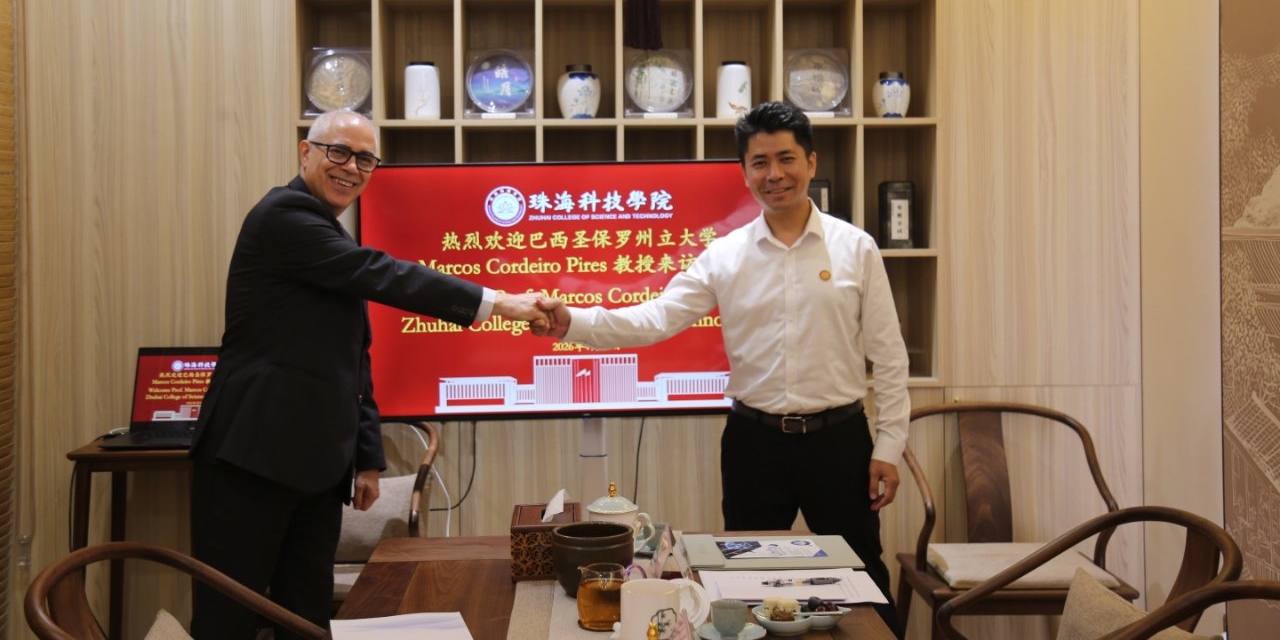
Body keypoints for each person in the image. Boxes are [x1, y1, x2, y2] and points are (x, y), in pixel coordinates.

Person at [537, 101, 910, 634]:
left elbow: (889, 355)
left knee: (861, 577)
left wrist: (889, 445)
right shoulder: (725, 255)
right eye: (760, 162)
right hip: (754, 444)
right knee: (743, 584)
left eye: (786, 159)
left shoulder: (856, 248)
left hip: (840, 441)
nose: (774, 174)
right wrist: (571, 321)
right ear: (744, 172)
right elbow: (655, 318)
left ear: (811, 161)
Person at [189, 109, 550, 639]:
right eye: (338, 152)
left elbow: (352, 359)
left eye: (365, 159)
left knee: (306, 615)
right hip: (251, 459)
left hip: (315, 468)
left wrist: (366, 458)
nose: (351, 168)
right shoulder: (284, 216)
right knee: (228, 618)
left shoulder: (330, 235)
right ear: (305, 152)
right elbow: (384, 274)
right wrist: (500, 303)